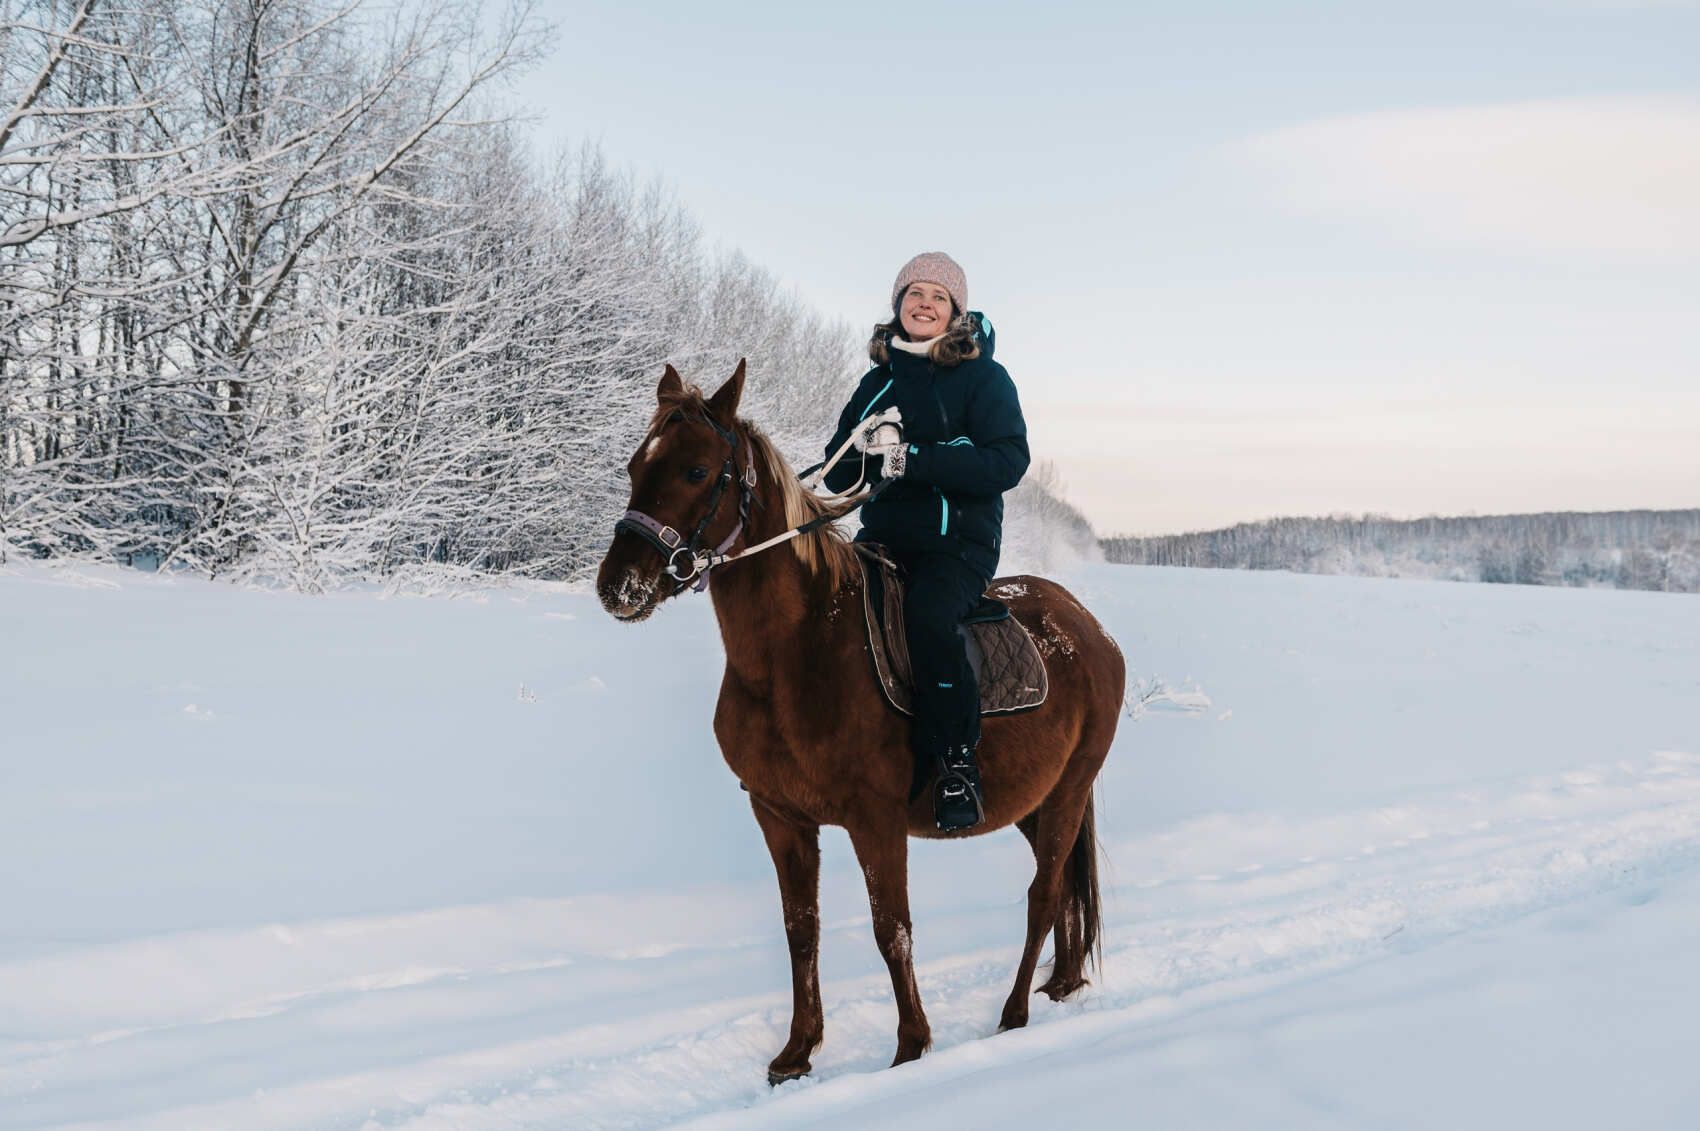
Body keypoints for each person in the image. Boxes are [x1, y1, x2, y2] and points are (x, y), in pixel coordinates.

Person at [823, 252, 1030, 832]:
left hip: (956, 545)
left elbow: (1009, 460)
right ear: (897, 307)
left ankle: (956, 763)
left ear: (955, 313)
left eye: (938, 297)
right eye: (914, 293)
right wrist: (863, 447)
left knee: (929, 615)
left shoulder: (984, 377)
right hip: (883, 540)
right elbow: (838, 475)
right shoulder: (877, 381)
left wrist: (913, 458)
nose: (924, 303)